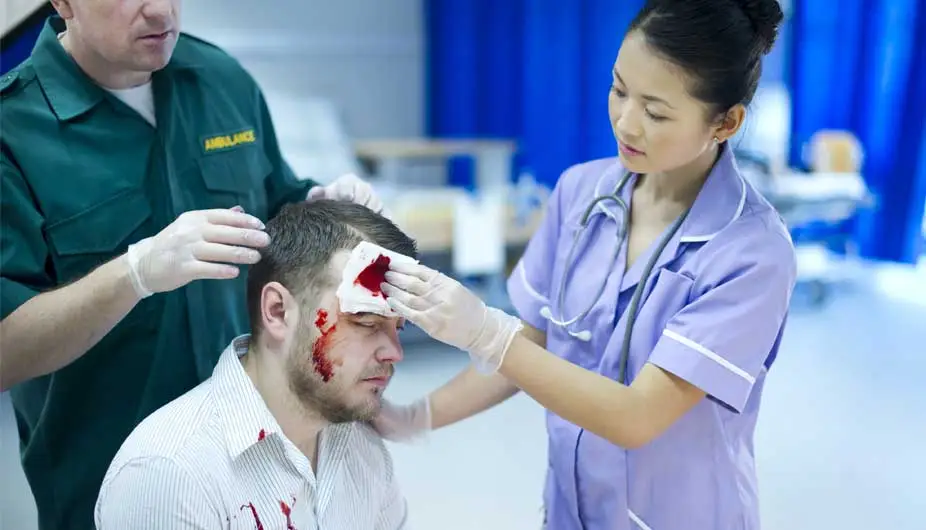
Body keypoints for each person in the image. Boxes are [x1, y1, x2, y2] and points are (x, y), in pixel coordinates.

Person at [374, 1, 797, 529]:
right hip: (574, 509)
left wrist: (485, 331)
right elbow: (533, 343)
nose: (626, 121)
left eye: (656, 111)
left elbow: (637, 416)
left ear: (726, 122)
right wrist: (418, 416)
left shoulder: (752, 252)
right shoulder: (580, 194)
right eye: (619, 89)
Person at [0, 2, 382, 529]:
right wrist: (135, 273)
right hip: (109, 488)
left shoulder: (219, 80)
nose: (160, 10)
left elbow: (278, 207)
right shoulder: (13, 129)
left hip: (259, 472)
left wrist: (322, 203)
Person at [93, 200, 414, 529]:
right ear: (277, 311)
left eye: (398, 327)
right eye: (367, 322)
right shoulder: (170, 473)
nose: (395, 352)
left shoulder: (363, 451)